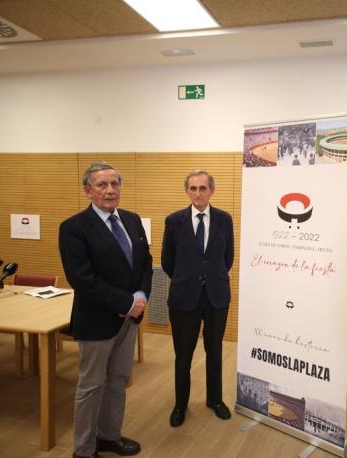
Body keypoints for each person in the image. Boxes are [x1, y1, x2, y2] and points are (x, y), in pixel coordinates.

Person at [59, 161, 152, 458]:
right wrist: (127, 303)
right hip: (97, 321)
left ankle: (109, 437)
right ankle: (84, 450)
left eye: (114, 184)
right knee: (90, 387)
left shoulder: (132, 219)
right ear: (88, 191)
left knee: (117, 381)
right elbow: (83, 280)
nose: (110, 190)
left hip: (129, 321)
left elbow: (146, 263)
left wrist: (140, 294)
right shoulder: (74, 228)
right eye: (101, 185)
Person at [161, 170, 234, 427]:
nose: (198, 193)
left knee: (214, 350)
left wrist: (209, 276)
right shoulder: (174, 221)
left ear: (212, 190)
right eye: (193, 188)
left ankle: (215, 400)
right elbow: (167, 261)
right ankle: (180, 405)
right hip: (184, 298)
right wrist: (188, 278)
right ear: (187, 191)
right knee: (183, 354)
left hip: (216, 296)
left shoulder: (225, 220)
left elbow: (228, 258)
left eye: (203, 188)